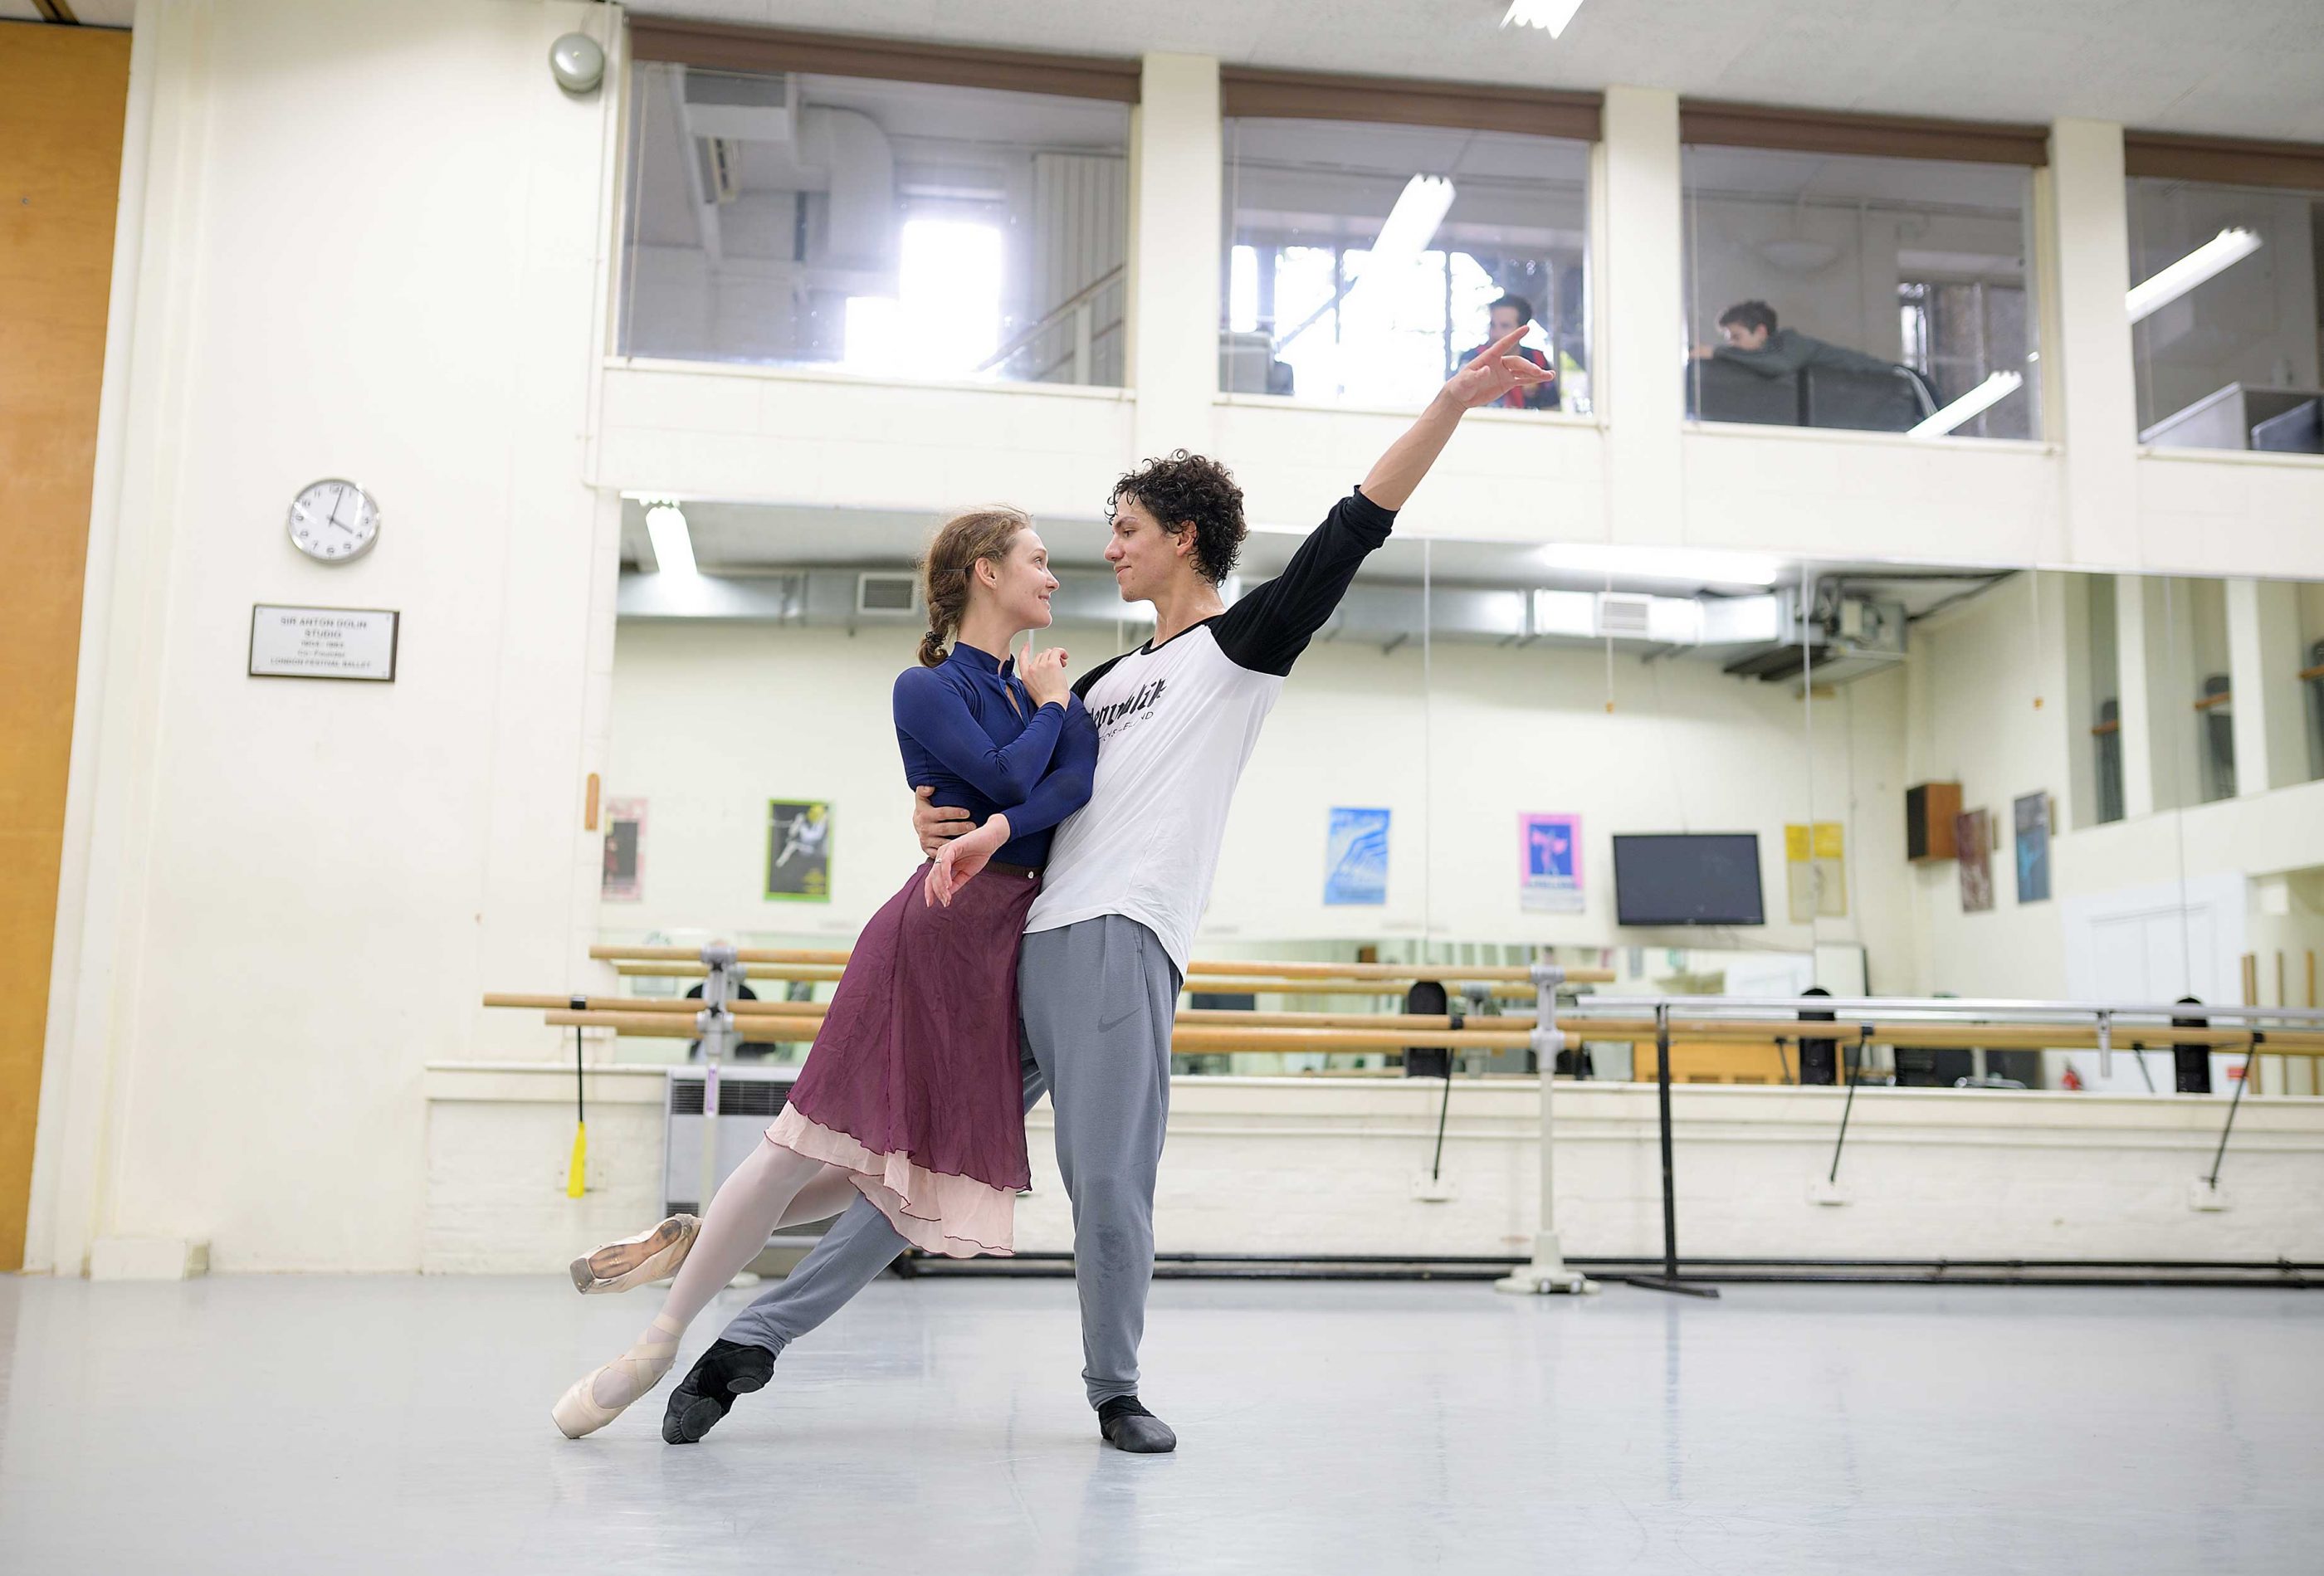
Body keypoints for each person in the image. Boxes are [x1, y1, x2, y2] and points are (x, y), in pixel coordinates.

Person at [632, 329, 1550, 1456]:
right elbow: (1001, 782)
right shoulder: (1101, 684)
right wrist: (930, 815)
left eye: (1126, 531)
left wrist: (1452, 402)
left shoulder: (1242, 647)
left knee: (1107, 1175)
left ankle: (1114, 1385)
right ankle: (747, 1345)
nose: (1106, 550)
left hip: (1117, 943)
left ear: (1184, 538)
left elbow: (1354, 524)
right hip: (1016, 942)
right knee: (923, 1171)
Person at [551, 506, 1098, 1442]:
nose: (1053, 578)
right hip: (928, 935)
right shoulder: (926, 689)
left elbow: (1067, 789)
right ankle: (658, 1338)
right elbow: (1015, 781)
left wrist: (1033, 747)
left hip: (998, 948)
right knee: (809, 1145)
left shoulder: (1043, 693)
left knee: (880, 1165)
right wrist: (1047, 718)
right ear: (983, 572)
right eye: (1038, 561)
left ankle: (689, 1235)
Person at [1690, 300, 1898, 378]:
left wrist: (1717, 353)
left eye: (1736, 337)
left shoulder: (1790, 343)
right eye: (1728, 340)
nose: (1732, 344)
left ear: (1761, 332)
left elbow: (1778, 365)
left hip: (1896, 376)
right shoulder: (1762, 354)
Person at [1459, 295, 1559, 411]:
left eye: (1505, 326)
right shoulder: (1472, 359)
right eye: (1493, 325)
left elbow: (1554, 410)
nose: (1496, 334)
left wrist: (1536, 394)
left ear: (1522, 330)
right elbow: (1453, 405)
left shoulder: (1537, 360)